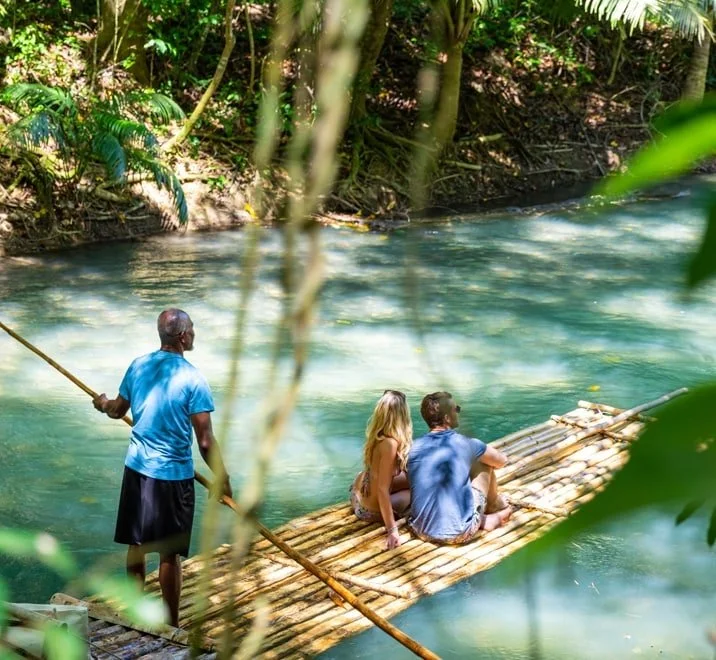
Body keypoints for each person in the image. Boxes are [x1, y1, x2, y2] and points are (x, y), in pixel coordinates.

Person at [93, 308, 232, 627]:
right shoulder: (193, 378)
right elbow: (206, 440)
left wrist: (102, 404)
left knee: (137, 545)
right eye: (192, 329)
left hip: (137, 471)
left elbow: (117, 410)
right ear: (183, 336)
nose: (194, 333)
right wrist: (222, 478)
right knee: (168, 554)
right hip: (173, 477)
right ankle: (171, 624)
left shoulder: (138, 366)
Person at [407, 391, 512, 545]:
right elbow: (501, 461)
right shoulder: (467, 443)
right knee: (484, 464)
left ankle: (480, 518)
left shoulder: (413, 448)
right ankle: (493, 507)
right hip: (459, 534)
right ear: (447, 418)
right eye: (456, 409)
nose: (458, 412)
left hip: (419, 530)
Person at [350, 390, 413, 549]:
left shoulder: (378, 436)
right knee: (415, 494)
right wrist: (392, 530)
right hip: (368, 511)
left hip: (357, 494)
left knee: (413, 477)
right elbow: (382, 490)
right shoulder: (390, 444)